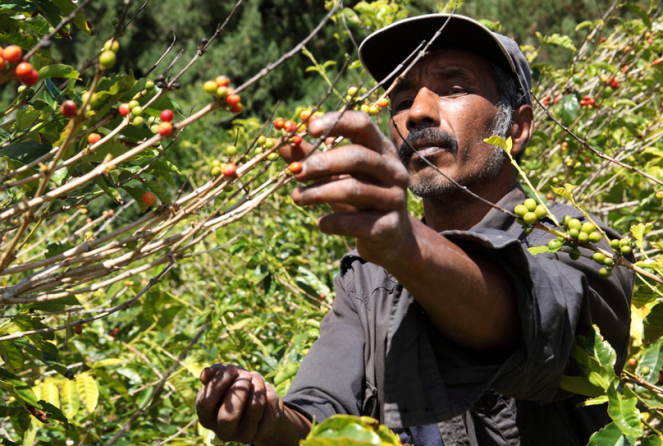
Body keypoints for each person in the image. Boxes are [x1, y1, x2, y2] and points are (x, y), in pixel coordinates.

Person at [195, 14, 633, 446]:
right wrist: (269, 420)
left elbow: (536, 324)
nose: (417, 112)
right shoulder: (369, 279)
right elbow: (324, 421)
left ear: (516, 128)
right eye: (401, 99)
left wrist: (405, 245)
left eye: (454, 87)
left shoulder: (577, 242)